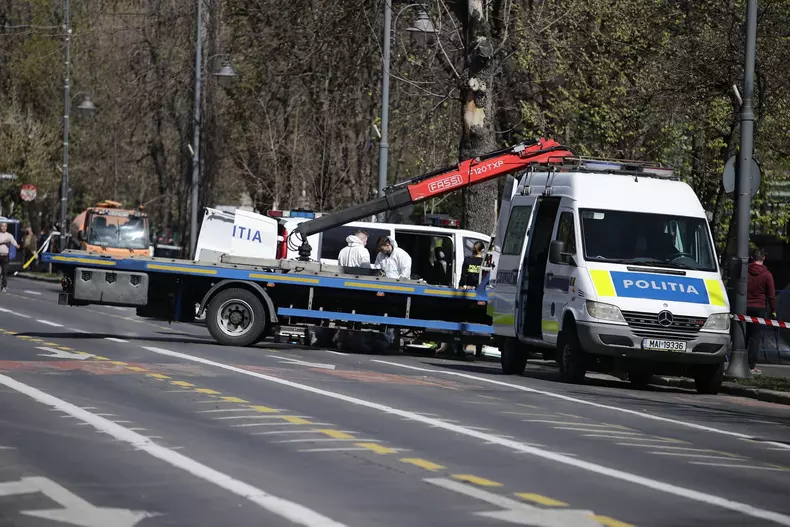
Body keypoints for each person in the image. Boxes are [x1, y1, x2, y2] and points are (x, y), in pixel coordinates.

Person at [746, 247, 776, 375]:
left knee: (743, 334)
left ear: (752, 258)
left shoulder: (745, 271)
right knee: (755, 337)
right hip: (759, 308)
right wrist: (773, 310)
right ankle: (751, 365)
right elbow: (771, 295)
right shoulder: (767, 275)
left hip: (744, 307)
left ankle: (738, 360)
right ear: (763, 258)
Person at [0, 222, 21, 293]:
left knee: (4, 272)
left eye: (5, 226)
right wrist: (4, 241)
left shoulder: (9, 235)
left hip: (5, 256)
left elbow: (13, 241)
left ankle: (4, 286)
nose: (4, 227)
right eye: (2, 226)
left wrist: (17, 245)